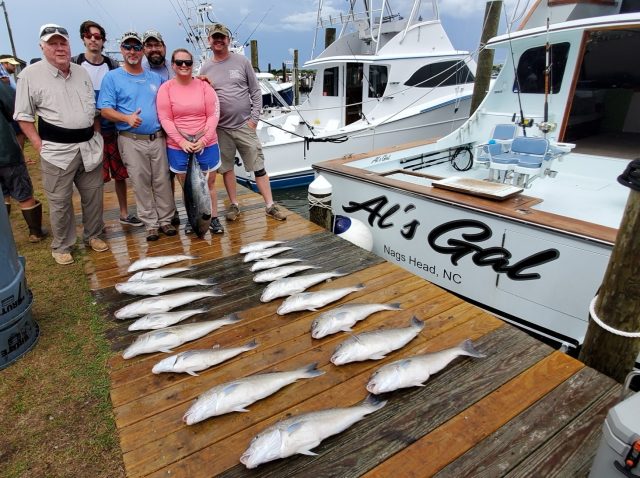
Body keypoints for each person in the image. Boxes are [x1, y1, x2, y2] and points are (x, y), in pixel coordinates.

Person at [14, 24, 108, 265]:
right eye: (53, 43)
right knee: (59, 202)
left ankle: (93, 235)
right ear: (42, 47)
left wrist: (96, 135)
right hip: (56, 151)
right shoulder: (29, 75)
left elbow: (93, 110)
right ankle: (63, 245)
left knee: (94, 197)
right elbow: (23, 116)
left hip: (89, 147)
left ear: (69, 44)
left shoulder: (81, 72)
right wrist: (38, 144)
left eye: (62, 43)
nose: (59, 48)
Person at [200, 23, 287, 222]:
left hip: (244, 125)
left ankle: (269, 205)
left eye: (222, 37)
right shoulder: (205, 66)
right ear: (209, 41)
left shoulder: (242, 61)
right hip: (221, 128)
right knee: (227, 168)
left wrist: (254, 119)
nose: (219, 40)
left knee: (258, 165)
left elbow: (256, 91)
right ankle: (234, 205)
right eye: (215, 37)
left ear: (228, 40)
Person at [98, 31, 176, 242]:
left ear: (142, 51)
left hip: (158, 138)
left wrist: (201, 80)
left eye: (136, 47)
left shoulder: (156, 78)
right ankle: (150, 223)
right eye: (128, 47)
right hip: (130, 139)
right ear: (121, 50)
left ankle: (166, 220)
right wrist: (126, 118)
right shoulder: (112, 77)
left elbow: (175, 94)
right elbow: (104, 109)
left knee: (161, 180)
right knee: (140, 182)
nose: (132, 51)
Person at [72, 20, 143, 228]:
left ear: (103, 40)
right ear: (83, 38)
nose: (93, 39)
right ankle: (97, 220)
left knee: (120, 174)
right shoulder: (76, 64)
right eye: (89, 35)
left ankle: (123, 213)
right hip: (89, 133)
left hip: (113, 129)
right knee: (95, 179)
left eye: (98, 36)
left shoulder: (111, 65)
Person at [156, 48, 223, 235]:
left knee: (209, 184)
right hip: (179, 146)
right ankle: (192, 218)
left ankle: (214, 217)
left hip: (206, 143)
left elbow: (213, 115)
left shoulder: (205, 87)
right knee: (187, 187)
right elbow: (165, 118)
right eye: (179, 63)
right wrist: (181, 141)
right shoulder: (166, 89)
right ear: (173, 65)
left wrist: (204, 139)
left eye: (188, 62)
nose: (184, 66)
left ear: (193, 65)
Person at [142, 29, 180, 227]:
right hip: (155, 131)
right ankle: (167, 211)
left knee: (176, 172)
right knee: (161, 176)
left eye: (157, 45)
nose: (154, 49)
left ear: (164, 47)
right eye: (149, 46)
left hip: (178, 129)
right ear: (144, 49)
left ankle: (179, 208)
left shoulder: (175, 66)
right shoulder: (139, 69)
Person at [0, 81, 47, 242]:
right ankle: (35, 232)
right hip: (5, 149)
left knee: (4, 194)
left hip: (5, 149)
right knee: (22, 190)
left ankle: (4, 236)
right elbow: (16, 109)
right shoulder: (2, 87)